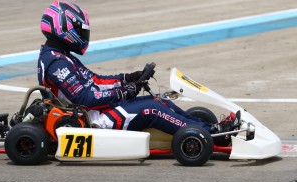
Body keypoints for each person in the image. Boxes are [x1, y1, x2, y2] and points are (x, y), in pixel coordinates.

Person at [37, 1, 240, 139]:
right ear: (63, 28)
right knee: (152, 109)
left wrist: (128, 79)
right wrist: (124, 91)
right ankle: (210, 136)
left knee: (160, 101)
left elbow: (95, 81)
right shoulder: (57, 63)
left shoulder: (62, 56)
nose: (83, 35)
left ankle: (208, 129)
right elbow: (85, 98)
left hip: (96, 112)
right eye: (80, 30)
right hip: (91, 121)